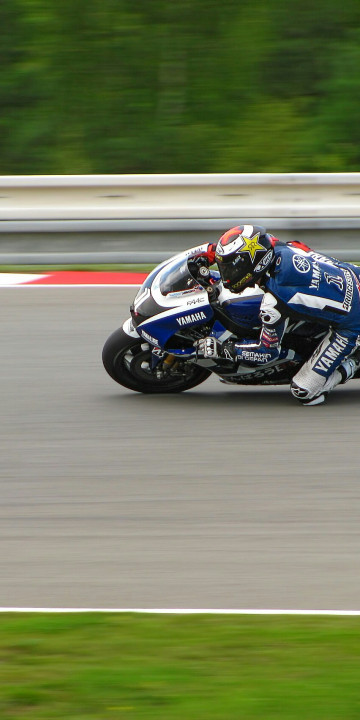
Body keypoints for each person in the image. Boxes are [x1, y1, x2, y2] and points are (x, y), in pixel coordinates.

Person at [192, 224, 360, 405]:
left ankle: (354, 362)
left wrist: (224, 350)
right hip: (355, 275)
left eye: (230, 268)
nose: (226, 274)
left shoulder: (274, 300)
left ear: (250, 266)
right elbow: (298, 245)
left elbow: (267, 353)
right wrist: (208, 253)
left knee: (303, 391)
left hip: (352, 327)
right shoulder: (277, 247)